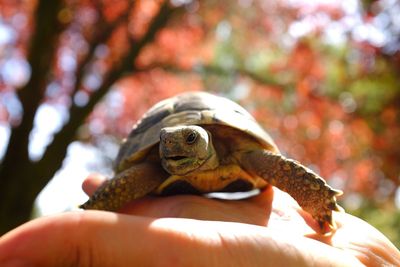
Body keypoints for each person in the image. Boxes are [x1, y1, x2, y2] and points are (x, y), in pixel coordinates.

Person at [0, 174, 399, 267]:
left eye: (189, 140)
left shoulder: (248, 156)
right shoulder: (152, 168)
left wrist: (317, 202)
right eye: (168, 143)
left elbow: (274, 167)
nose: (175, 147)